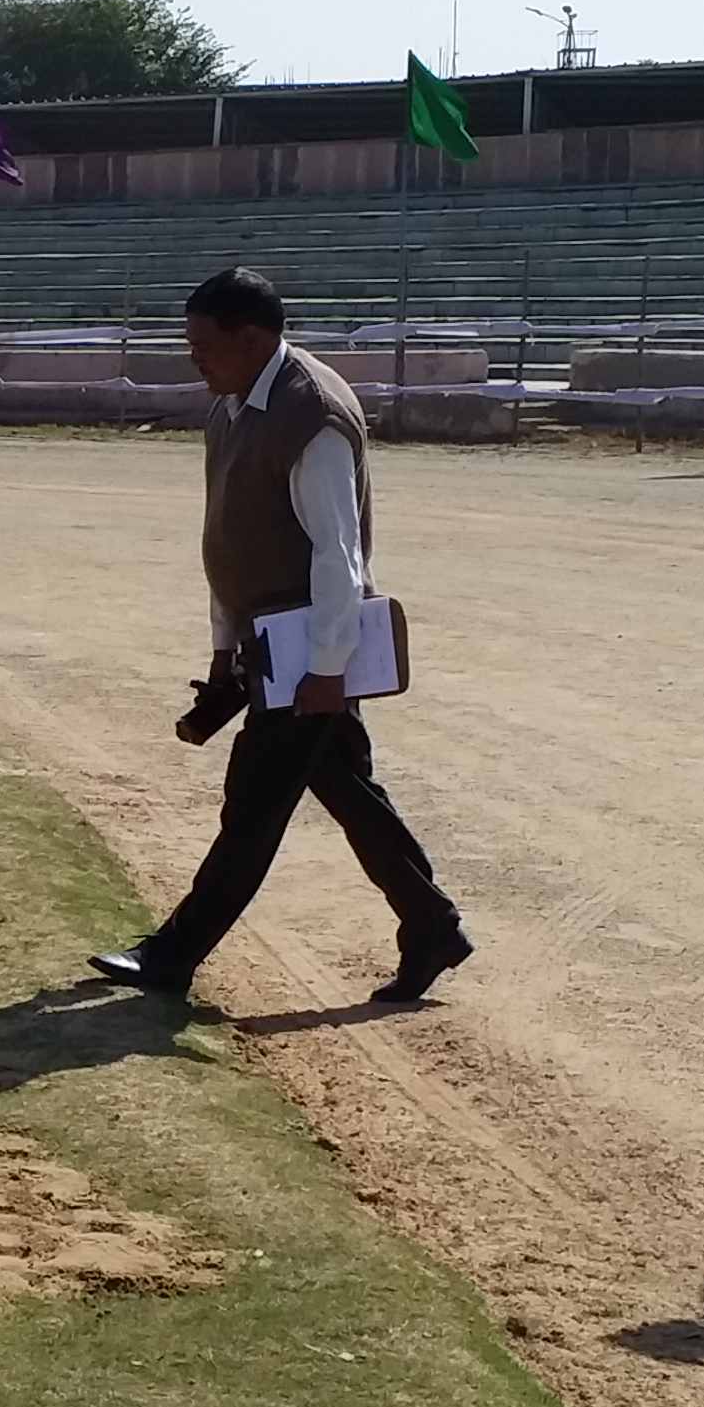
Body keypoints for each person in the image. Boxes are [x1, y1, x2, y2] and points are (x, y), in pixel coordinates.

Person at [90, 267, 472, 1009]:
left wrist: (327, 668)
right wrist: (223, 647)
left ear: (253, 338)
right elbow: (231, 537)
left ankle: (172, 954)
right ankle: (432, 925)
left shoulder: (312, 415)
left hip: (307, 651)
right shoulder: (233, 407)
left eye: (205, 345)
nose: (194, 358)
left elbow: (338, 553)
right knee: (351, 794)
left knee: (255, 802)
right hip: (269, 645)